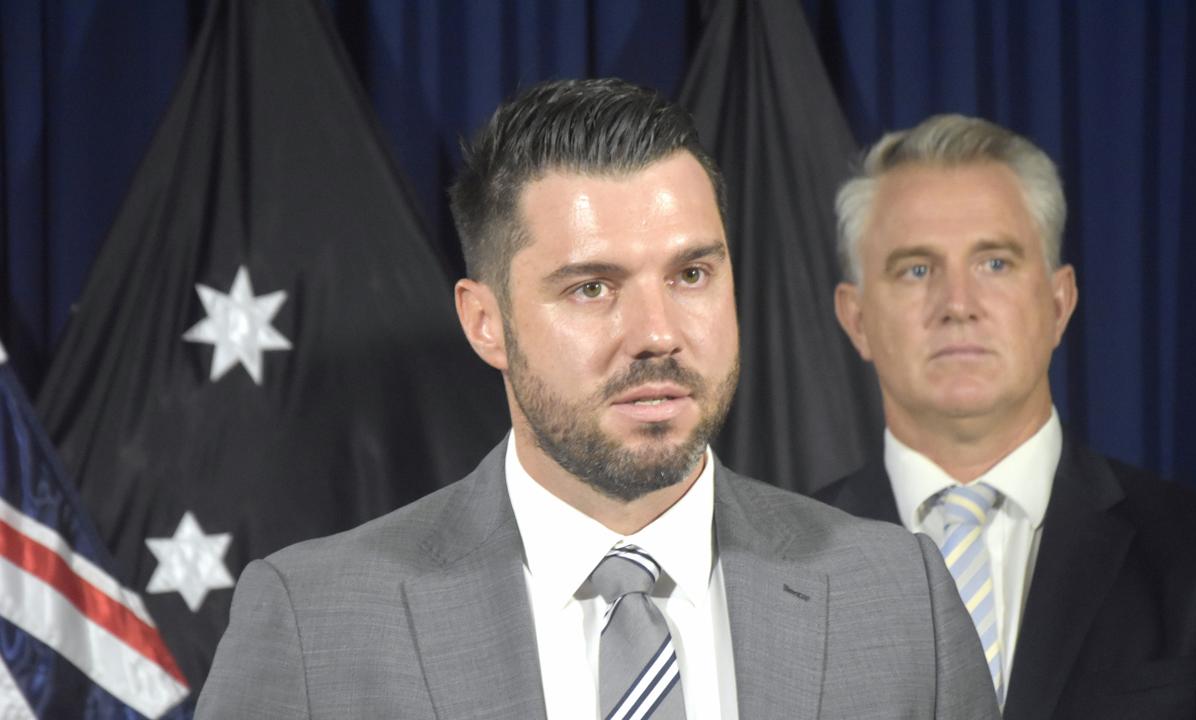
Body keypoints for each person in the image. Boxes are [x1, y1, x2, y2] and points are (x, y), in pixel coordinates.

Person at [195, 80, 998, 719]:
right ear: (486, 323)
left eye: (691, 275)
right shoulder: (315, 623)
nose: (657, 334)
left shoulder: (901, 599)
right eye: (591, 288)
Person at [816, 113, 1196, 719]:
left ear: (1059, 304)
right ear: (857, 319)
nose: (957, 304)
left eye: (995, 264)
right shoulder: (773, 569)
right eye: (917, 270)